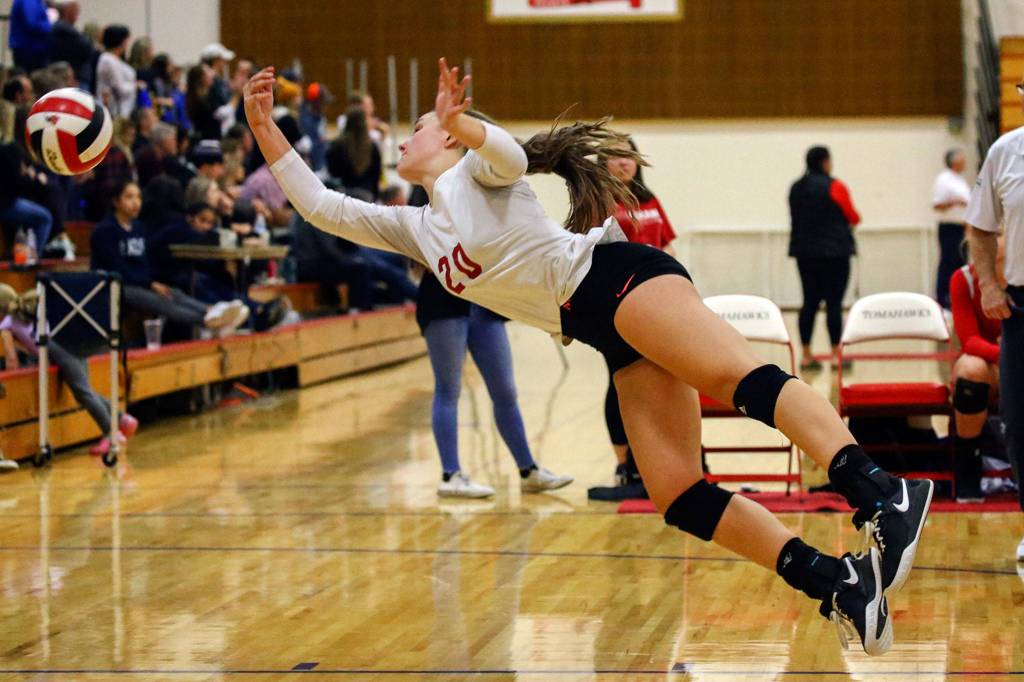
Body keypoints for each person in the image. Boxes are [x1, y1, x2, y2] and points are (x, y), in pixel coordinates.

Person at [245, 61, 935, 655]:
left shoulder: (480, 175)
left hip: (615, 278)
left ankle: (881, 490)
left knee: (741, 380)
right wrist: (263, 123)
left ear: (450, 140)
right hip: (597, 324)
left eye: (420, 126)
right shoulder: (418, 228)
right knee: (677, 492)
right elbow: (321, 206)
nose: (404, 137)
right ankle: (839, 582)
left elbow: (512, 157)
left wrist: (463, 125)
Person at [406, 186, 572, 497]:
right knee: (448, 388)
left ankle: (528, 470)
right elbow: (422, 258)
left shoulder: (476, 188)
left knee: (505, 390)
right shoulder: (422, 196)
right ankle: (450, 474)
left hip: (483, 302)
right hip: (443, 302)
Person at [595, 137, 678, 495]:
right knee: (622, 380)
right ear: (603, 163)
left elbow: (668, 245)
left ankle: (656, 459)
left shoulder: (650, 200)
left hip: (658, 305)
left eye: (628, 155)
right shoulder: (597, 202)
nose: (623, 162)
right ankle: (624, 463)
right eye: (614, 156)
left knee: (658, 382)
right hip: (616, 307)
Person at [965, 75, 1024, 567]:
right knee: (1022, 424)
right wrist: (988, 284)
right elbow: (981, 227)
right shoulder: (1005, 152)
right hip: (1021, 305)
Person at [90, 180, 247, 337]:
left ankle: (211, 311)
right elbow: (118, 269)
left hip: (141, 282)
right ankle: (210, 321)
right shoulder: (105, 231)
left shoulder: (137, 227)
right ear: (116, 201)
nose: (136, 202)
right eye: (129, 197)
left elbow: (144, 263)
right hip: (115, 285)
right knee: (161, 300)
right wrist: (150, 284)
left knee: (175, 293)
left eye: (138, 197)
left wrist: (152, 282)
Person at [0, 284, 139, 457]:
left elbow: (11, 359)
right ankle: (122, 420)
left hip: (59, 349)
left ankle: (111, 434)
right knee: (85, 389)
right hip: (71, 343)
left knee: (83, 393)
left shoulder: (6, 323)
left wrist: (11, 378)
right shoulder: (24, 313)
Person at [788, 146, 860, 371]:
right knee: (834, 304)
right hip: (835, 253)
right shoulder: (835, 186)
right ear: (825, 162)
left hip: (805, 252)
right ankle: (836, 354)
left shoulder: (796, 188)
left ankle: (807, 355)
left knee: (809, 302)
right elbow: (853, 216)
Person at [948, 238, 1005, 502]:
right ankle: (968, 470)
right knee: (971, 369)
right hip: (988, 365)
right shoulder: (964, 280)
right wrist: (1007, 356)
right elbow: (969, 340)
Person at [933, 149, 971, 310]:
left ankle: (956, 297)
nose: (965, 161)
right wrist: (955, 202)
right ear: (954, 161)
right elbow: (937, 205)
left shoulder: (959, 180)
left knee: (959, 262)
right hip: (949, 227)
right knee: (948, 261)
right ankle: (942, 298)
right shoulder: (944, 179)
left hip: (961, 226)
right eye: (962, 158)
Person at [326, 107, 383, 202]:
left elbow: (331, 171)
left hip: (341, 195)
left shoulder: (337, 144)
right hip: (366, 195)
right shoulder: (372, 146)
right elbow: (376, 175)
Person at [48, 1, 96, 88]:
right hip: (75, 76)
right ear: (67, 11)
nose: (77, 16)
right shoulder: (63, 28)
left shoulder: (63, 28)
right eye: (76, 12)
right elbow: (87, 47)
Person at [96, 25, 137, 119]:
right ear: (121, 41)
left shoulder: (116, 60)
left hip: (124, 109)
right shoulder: (108, 59)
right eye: (127, 41)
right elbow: (120, 88)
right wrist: (135, 86)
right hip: (114, 110)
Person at [8, 0, 51, 73]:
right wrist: (51, 27)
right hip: (30, 49)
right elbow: (32, 23)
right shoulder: (29, 1)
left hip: (29, 48)